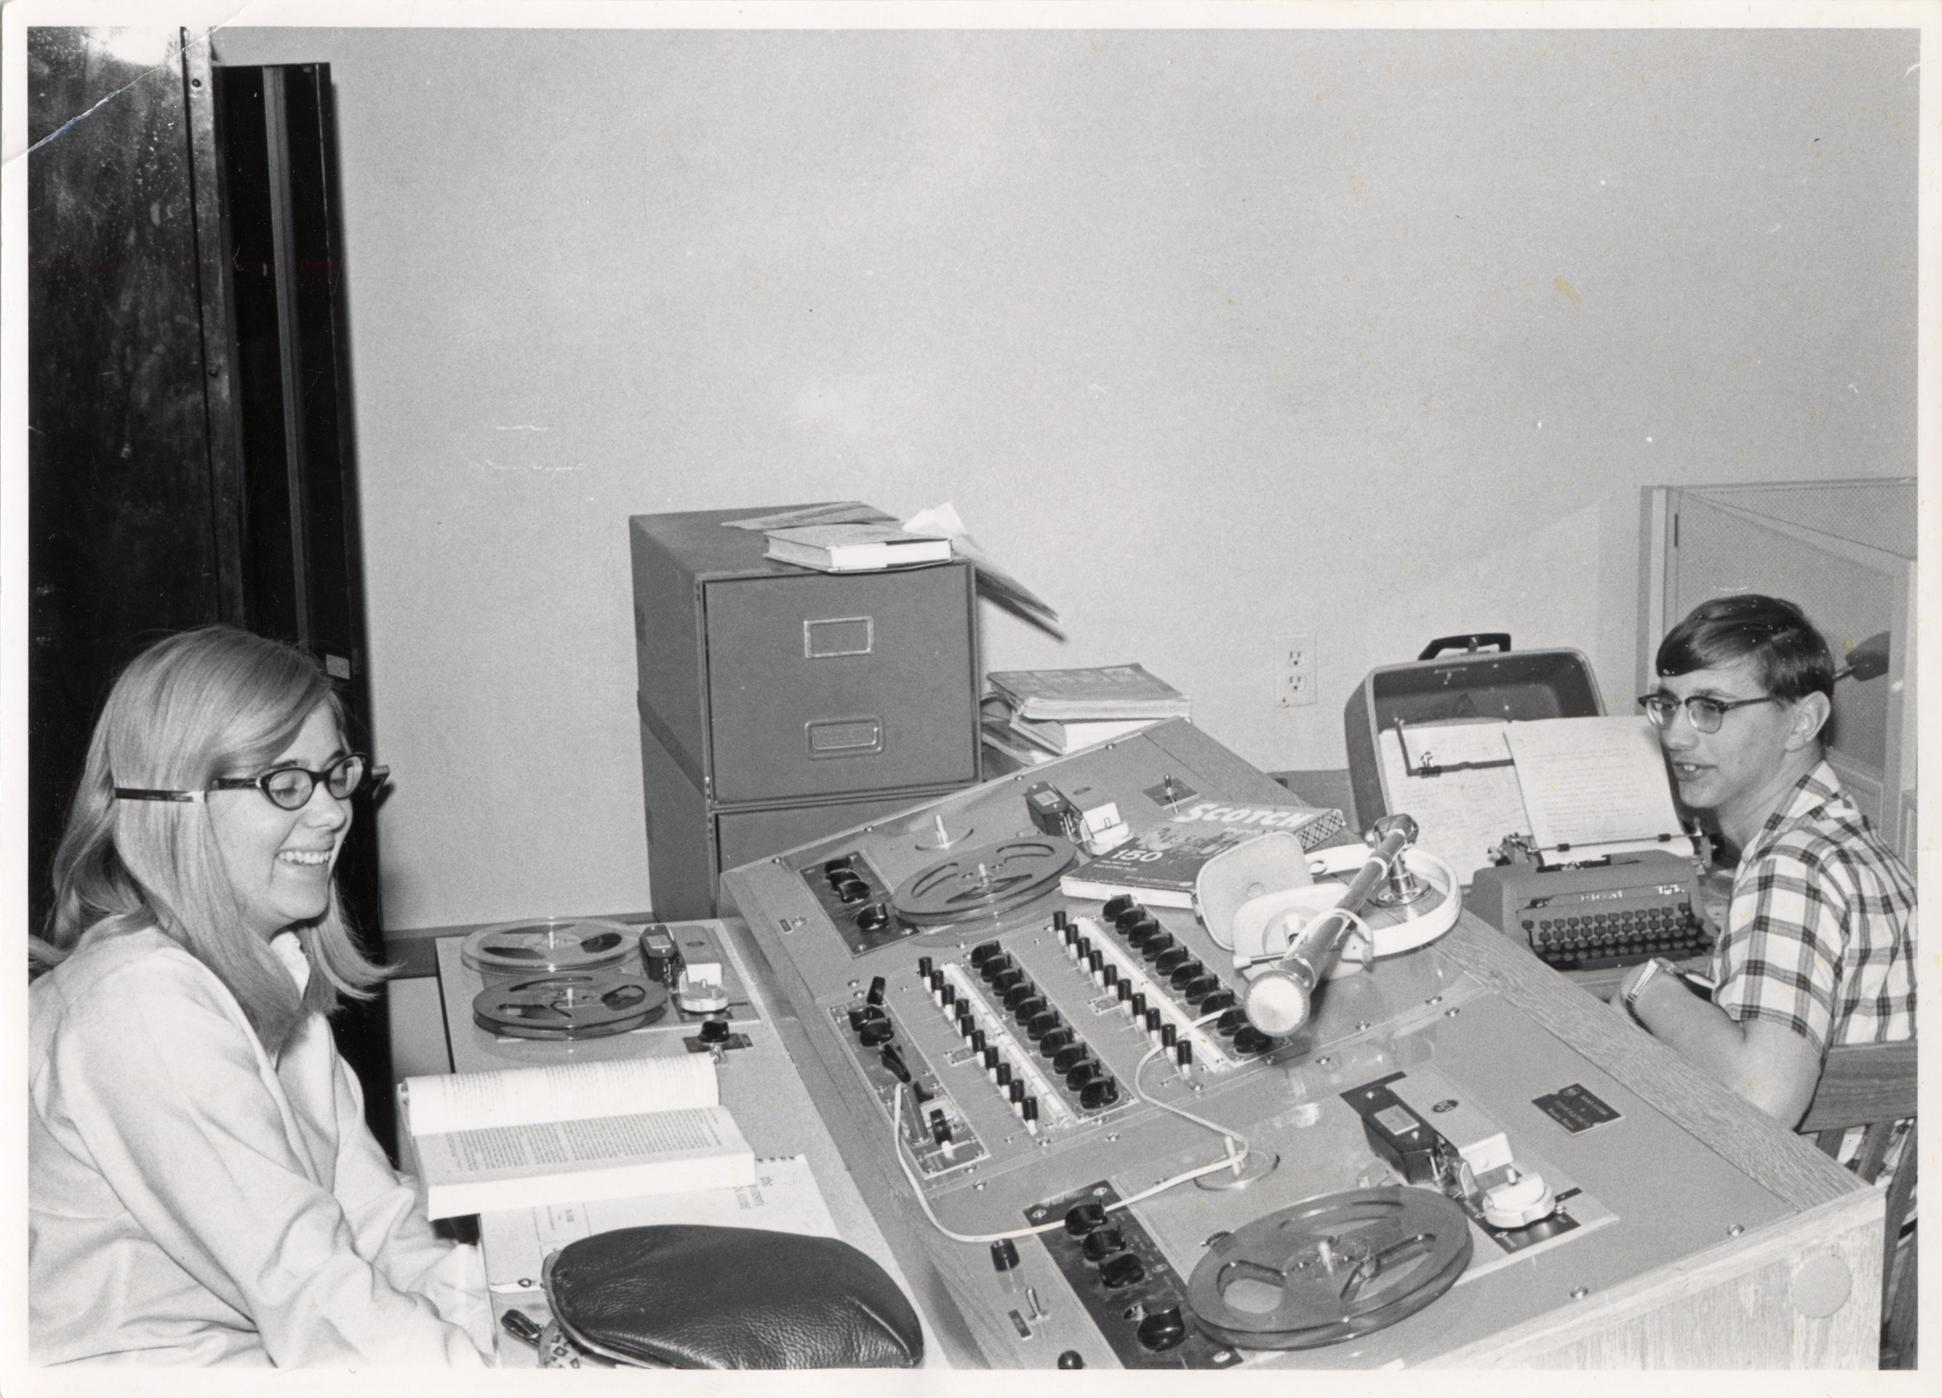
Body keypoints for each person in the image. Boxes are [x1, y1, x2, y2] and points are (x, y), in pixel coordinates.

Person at [28, 625, 494, 1366]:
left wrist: (516, 1309)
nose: (333, 813)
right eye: (284, 783)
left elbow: (377, 1228)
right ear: (174, 804)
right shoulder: (141, 1007)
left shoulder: (271, 977)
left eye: (336, 774)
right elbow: (317, 1297)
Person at [1615, 594, 1916, 1129]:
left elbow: (1762, 1100)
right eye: (1668, 704)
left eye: (1711, 708)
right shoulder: (1839, 833)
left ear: (1802, 722)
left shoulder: (1792, 867)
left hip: (1811, 1174)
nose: (1675, 735)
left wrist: (1647, 984)